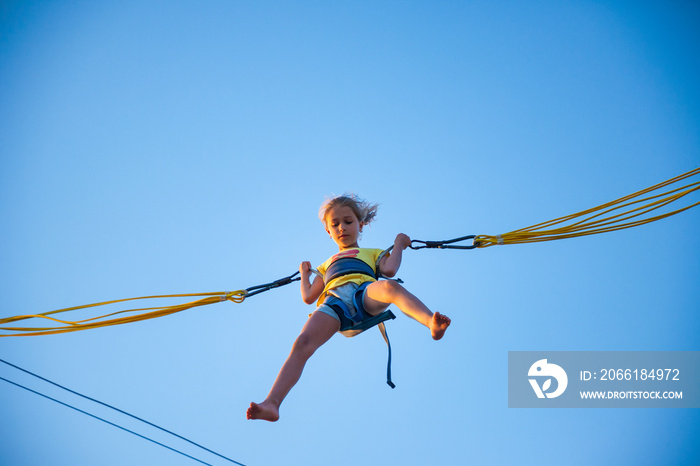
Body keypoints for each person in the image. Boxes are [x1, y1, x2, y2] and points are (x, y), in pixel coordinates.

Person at [246, 194, 451, 422]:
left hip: (364, 293)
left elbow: (391, 269)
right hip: (333, 302)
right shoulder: (325, 266)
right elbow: (308, 296)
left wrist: (400, 245)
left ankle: (430, 322)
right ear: (328, 231)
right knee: (302, 343)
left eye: (348, 221)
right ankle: (272, 403)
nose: (342, 228)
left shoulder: (372, 253)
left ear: (360, 225)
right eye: (335, 224)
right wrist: (305, 275)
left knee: (390, 287)